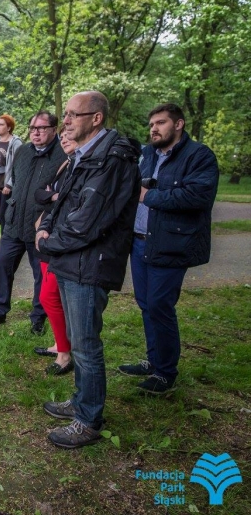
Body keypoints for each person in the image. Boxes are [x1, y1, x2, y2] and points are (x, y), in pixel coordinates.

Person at [37, 91, 140, 449]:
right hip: (71, 260)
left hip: (89, 264)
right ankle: (82, 401)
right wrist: (43, 227)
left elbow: (87, 222)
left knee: (85, 344)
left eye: (72, 115)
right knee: (79, 340)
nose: (65, 121)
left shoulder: (113, 159)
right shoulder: (84, 154)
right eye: (65, 114)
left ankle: (88, 419)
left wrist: (47, 242)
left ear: (96, 118)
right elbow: (60, 201)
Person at [119, 103, 219, 395]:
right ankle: (154, 361)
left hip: (171, 242)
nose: (154, 129)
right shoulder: (147, 155)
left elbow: (197, 196)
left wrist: (149, 196)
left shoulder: (198, 155)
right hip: (139, 241)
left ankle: (165, 373)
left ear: (179, 124)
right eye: (151, 124)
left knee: (160, 306)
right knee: (146, 304)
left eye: (160, 123)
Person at [0, 110, 66, 333]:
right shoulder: (23, 151)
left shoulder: (63, 154)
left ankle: (38, 318)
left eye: (42, 128)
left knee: (40, 275)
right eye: (33, 128)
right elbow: (13, 180)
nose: (36, 132)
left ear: (54, 129)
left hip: (41, 226)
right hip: (15, 222)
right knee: (3, 265)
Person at [34, 132, 74, 376]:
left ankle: (65, 354)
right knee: (51, 297)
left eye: (70, 135)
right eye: (63, 136)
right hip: (47, 235)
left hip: (61, 239)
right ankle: (60, 343)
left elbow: (70, 202)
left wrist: (53, 197)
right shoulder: (65, 163)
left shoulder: (83, 165)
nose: (65, 139)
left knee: (49, 296)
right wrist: (54, 197)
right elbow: (40, 192)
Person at [0, 114, 22, 259]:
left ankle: (3, 245)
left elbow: (18, 166)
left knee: (5, 216)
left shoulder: (15, 143)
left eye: (1, 124)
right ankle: (7, 242)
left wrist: (10, 184)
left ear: (9, 127)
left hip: (7, 186)